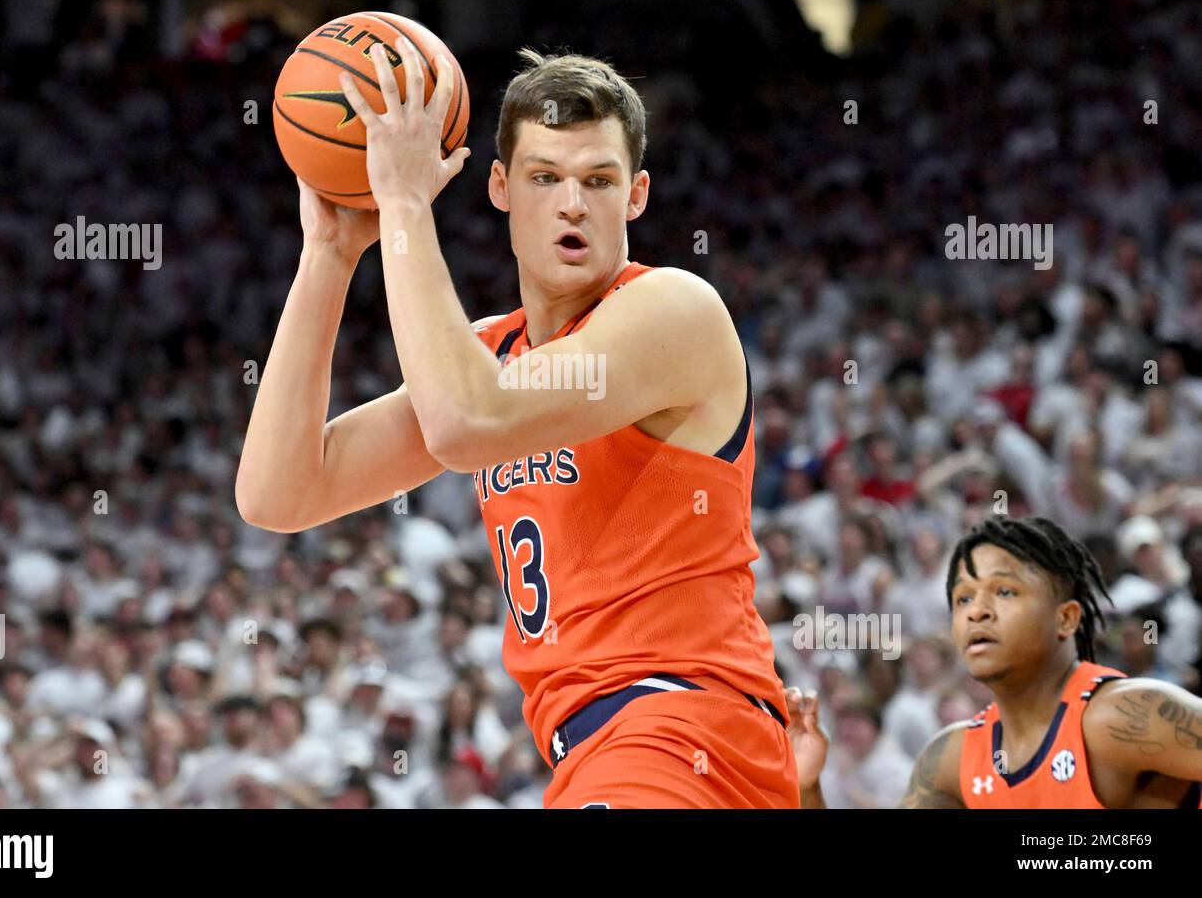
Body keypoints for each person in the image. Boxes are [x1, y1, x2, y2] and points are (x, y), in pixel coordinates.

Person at [237, 43, 796, 808]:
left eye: (598, 181)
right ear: (499, 186)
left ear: (636, 196)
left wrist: (404, 204)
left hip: (683, 728)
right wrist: (328, 259)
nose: (573, 203)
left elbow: (468, 421)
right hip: (592, 750)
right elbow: (281, 492)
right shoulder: (489, 354)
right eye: (545, 178)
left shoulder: (675, 310)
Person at [790, 515, 1202, 808]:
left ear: (1066, 618)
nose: (977, 612)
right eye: (963, 598)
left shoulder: (1126, 716)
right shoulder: (951, 758)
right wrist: (808, 787)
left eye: (1004, 591)